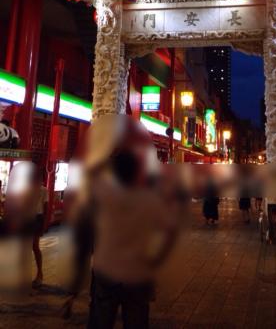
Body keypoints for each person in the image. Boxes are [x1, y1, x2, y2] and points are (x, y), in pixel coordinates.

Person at [63, 114, 181, 329]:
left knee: (101, 320)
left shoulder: (100, 197)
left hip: (106, 270)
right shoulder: (148, 200)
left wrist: (75, 284)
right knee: (136, 321)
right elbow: (168, 233)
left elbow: (85, 238)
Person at [31, 167, 48, 288]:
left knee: (35, 246)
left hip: (37, 218)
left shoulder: (44, 190)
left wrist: (44, 223)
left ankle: (40, 274)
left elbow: (45, 207)